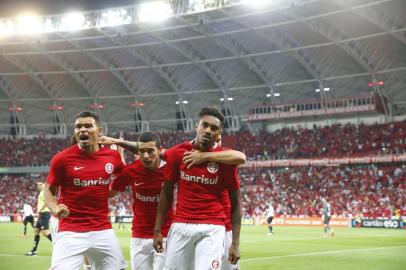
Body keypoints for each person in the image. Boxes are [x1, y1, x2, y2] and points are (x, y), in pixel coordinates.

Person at [154, 107, 244, 270]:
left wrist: (235, 242)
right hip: (181, 225)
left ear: (219, 133)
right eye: (205, 125)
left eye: (214, 128)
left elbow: (236, 202)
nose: (208, 131)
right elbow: (166, 193)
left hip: (212, 227)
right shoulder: (177, 154)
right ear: (197, 126)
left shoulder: (225, 160)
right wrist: (157, 229)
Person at [44, 111, 127, 270]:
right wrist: (55, 208)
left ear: (99, 131)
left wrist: (121, 152)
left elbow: (123, 177)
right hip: (71, 230)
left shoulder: (112, 157)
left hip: (102, 228)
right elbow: (49, 190)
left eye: (88, 126)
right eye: (78, 127)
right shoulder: (62, 159)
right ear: (75, 132)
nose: (82, 129)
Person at [25, 182, 53, 256]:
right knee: (36, 231)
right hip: (41, 214)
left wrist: (40, 209)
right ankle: (34, 251)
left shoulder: (45, 192)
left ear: (44, 185)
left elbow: (46, 202)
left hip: (45, 214)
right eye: (37, 185)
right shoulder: (41, 193)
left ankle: (59, 246)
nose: (38, 186)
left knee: (45, 232)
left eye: (40, 184)